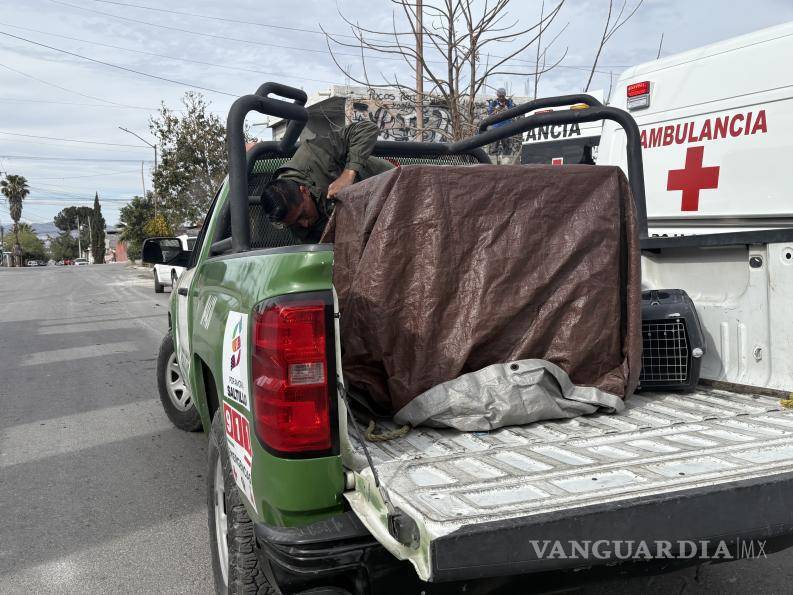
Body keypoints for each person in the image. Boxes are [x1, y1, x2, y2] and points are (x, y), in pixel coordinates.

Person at [260, 120, 394, 243]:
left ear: (304, 190)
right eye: (295, 223)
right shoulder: (286, 215)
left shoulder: (315, 154)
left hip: (389, 189)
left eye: (303, 215)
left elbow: (366, 128)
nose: (305, 224)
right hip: (362, 230)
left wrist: (348, 174)